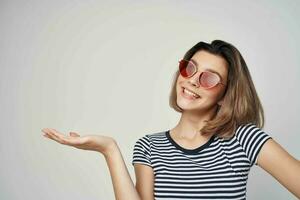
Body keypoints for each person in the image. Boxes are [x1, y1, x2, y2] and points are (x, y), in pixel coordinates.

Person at [42, 40, 300, 200]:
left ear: (225, 95)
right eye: (189, 68)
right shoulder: (149, 147)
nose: (192, 80)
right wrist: (109, 150)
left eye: (209, 79)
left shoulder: (244, 139)